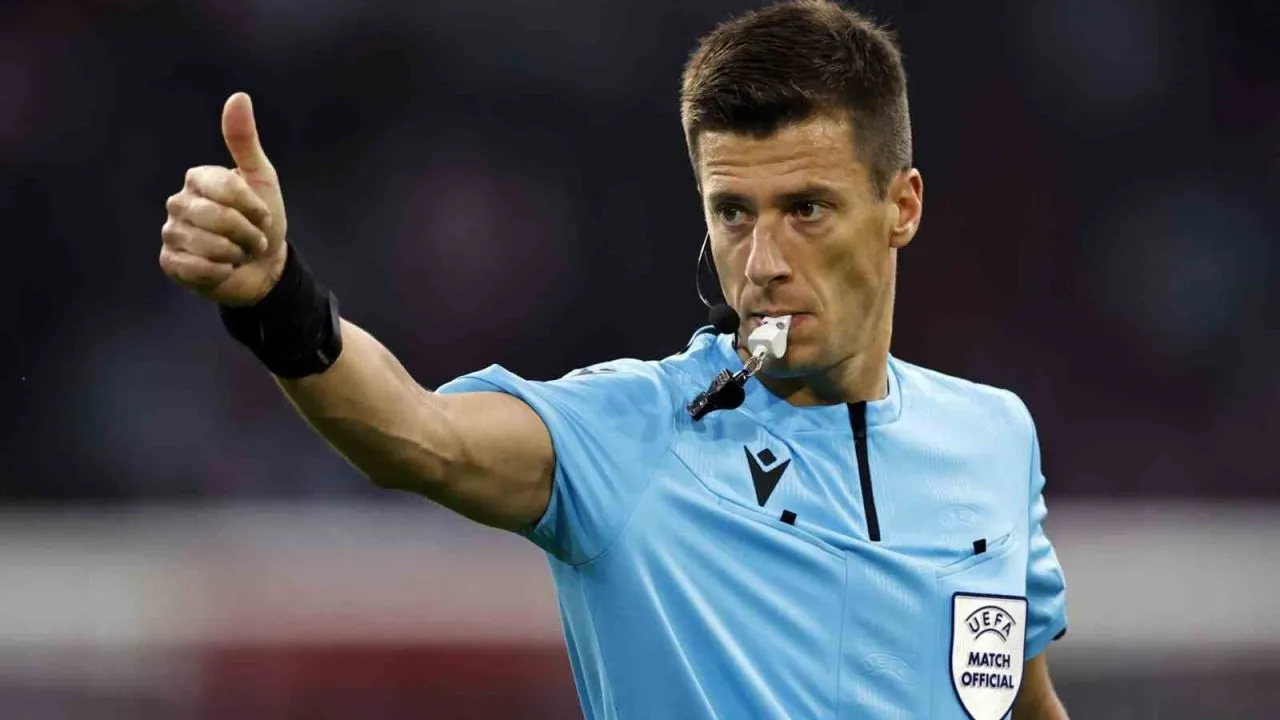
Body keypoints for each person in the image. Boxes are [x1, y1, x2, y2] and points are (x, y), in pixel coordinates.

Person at [158, 1, 1069, 717]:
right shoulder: (637, 435)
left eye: (807, 209)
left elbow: (1016, 701)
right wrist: (277, 298)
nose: (762, 262)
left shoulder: (993, 437)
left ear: (901, 207)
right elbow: (415, 433)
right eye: (733, 212)